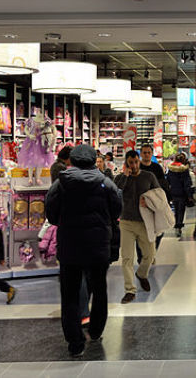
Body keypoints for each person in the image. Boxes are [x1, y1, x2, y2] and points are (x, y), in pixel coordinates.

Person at [45, 144, 122, 357]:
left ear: (72, 161)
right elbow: (116, 211)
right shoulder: (106, 183)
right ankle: (96, 331)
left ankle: (75, 342)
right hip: (98, 246)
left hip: (70, 246)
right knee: (99, 290)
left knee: (69, 294)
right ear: (92, 161)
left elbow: (51, 216)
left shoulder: (60, 184)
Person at [116, 150, 160, 303]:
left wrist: (149, 201)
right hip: (126, 222)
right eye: (131, 163)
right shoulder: (121, 178)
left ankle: (141, 274)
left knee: (150, 254)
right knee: (127, 258)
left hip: (144, 222)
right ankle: (130, 290)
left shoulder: (148, 176)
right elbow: (116, 192)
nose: (134, 166)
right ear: (126, 163)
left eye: (136, 162)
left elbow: (159, 194)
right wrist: (125, 177)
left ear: (139, 161)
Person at [165, 153, 193, 238]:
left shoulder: (170, 169)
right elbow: (187, 184)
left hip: (173, 192)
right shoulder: (184, 170)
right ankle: (179, 226)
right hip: (182, 193)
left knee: (176, 210)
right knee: (181, 210)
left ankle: (176, 224)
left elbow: (168, 181)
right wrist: (189, 196)